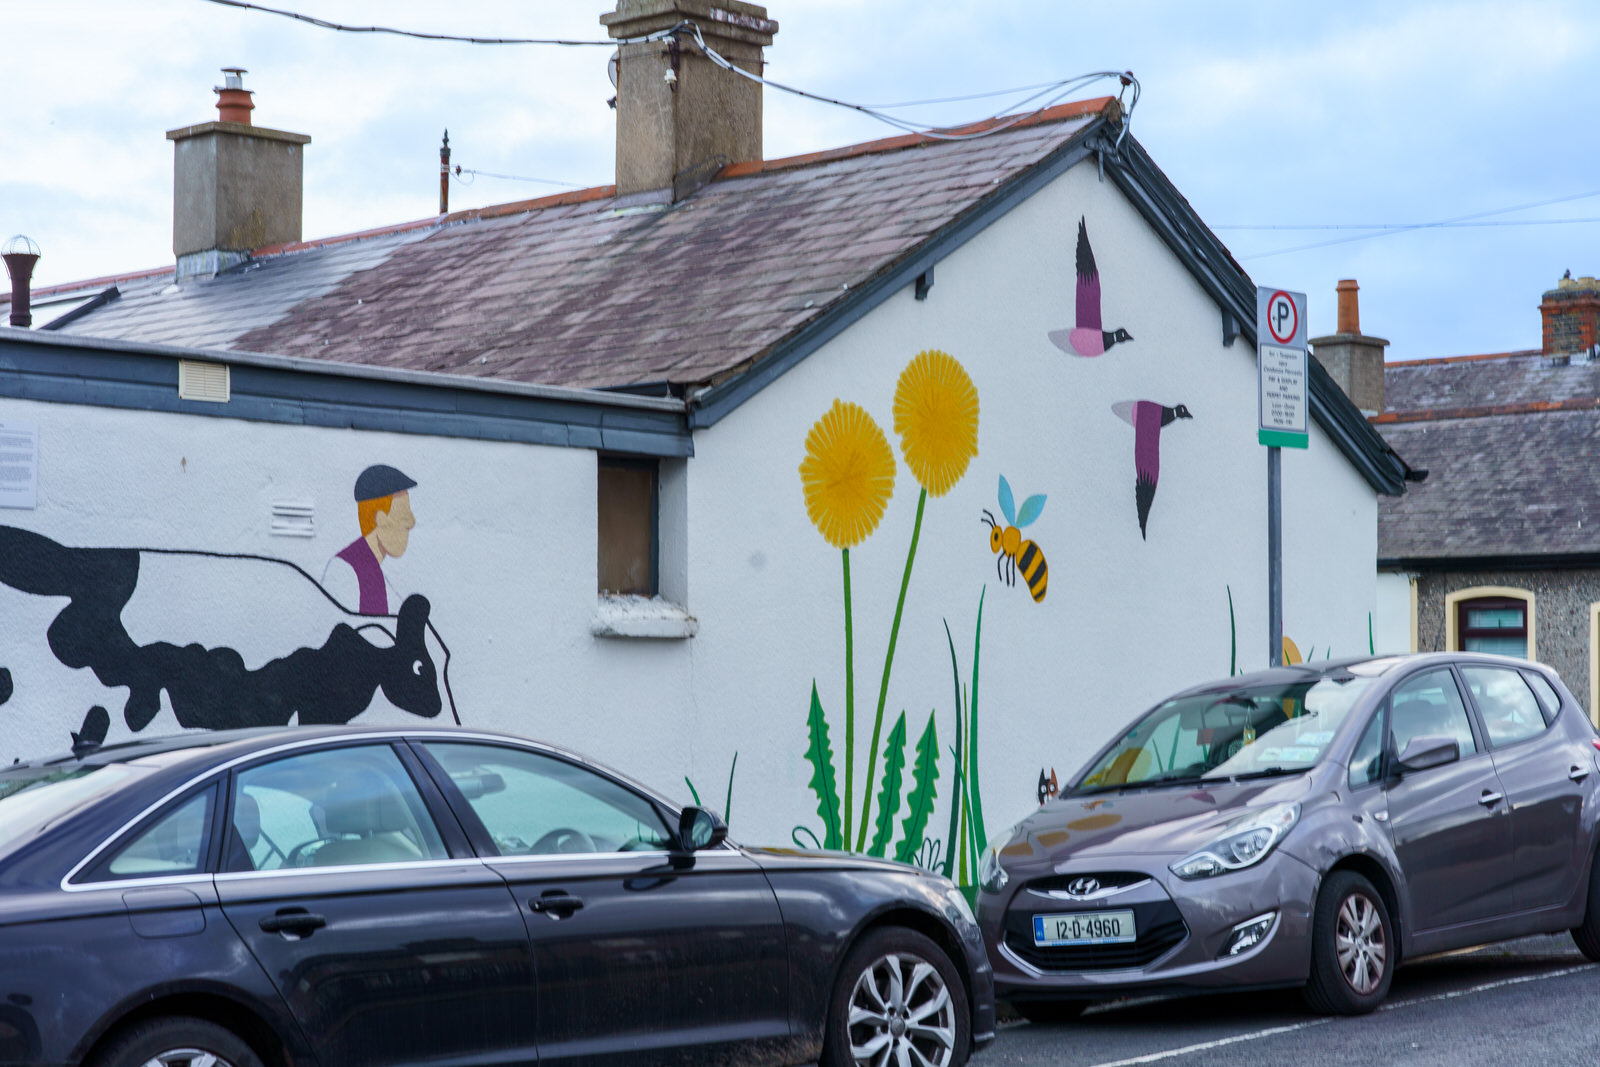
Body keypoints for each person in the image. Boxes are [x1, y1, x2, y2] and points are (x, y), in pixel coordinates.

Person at [321, 465, 417, 615]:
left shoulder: (377, 573)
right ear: (380, 519)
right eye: (404, 516)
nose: (412, 523)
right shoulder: (345, 570)